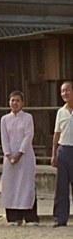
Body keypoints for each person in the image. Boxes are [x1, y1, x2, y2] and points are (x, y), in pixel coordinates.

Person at [0, 90, 39, 225]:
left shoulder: (27, 117)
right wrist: (8, 154)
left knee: (26, 185)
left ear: (22, 103)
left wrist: (20, 153)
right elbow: (4, 138)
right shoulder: (5, 119)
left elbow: (28, 136)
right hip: (9, 157)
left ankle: (30, 217)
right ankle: (13, 217)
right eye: (12, 100)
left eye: (18, 100)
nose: (15, 103)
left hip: (25, 156)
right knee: (11, 185)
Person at [51, 80, 73, 228]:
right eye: (62, 91)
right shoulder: (61, 112)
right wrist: (54, 154)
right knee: (62, 187)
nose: (65, 93)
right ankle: (60, 218)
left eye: (67, 90)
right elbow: (56, 134)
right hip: (64, 150)